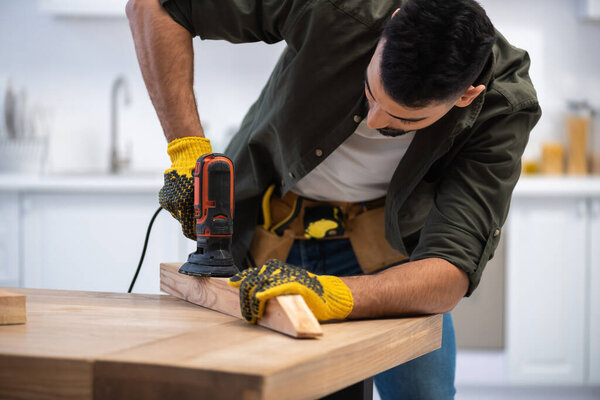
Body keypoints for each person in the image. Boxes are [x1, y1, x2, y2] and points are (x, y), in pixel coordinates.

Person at [126, 0, 541, 398]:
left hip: (389, 260)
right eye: (371, 92)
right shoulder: (338, 6)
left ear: (466, 95)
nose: (375, 121)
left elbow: (449, 270)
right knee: (244, 388)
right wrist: (187, 151)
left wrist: (333, 295)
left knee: (424, 395)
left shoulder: (503, 106)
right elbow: (154, 6)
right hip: (268, 234)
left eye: (404, 121)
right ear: (389, 27)